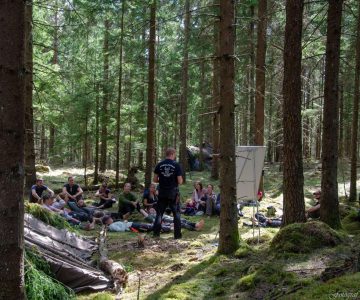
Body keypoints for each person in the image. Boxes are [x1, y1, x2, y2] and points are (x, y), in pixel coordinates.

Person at [153, 148, 183, 239]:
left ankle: (156, 234)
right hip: (173, 193)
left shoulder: (159, 164)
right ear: (172, 154)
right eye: (175, 154)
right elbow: (180, 181)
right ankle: (177, 235)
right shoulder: (176, 165)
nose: (175, 156)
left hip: (162, 192)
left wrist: (163, 180)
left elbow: (154, 180)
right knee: (176, 214)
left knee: (159, 214)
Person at [139, 207, 204, 231]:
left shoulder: (159, 213)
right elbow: (144, 212)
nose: (152, 209)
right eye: (151, 210)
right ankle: (195, 228)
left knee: (183, 220)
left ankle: (196, 224)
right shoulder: (151, 217)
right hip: (168, 221)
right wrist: (140, 208)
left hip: (170, 218)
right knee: (182, 223)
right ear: (149, 212)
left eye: (153, 209)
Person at [102, 215, 171, 233]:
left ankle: (166, 226)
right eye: (109, 219)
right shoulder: (111, 226)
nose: (111, 219)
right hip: (131, 227)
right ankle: (167, 228)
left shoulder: (113, 223)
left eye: (110, 218)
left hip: (131, 224)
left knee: (148, 225)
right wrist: (125, 223)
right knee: (149, 227)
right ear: (107, 222)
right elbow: (120, 230)